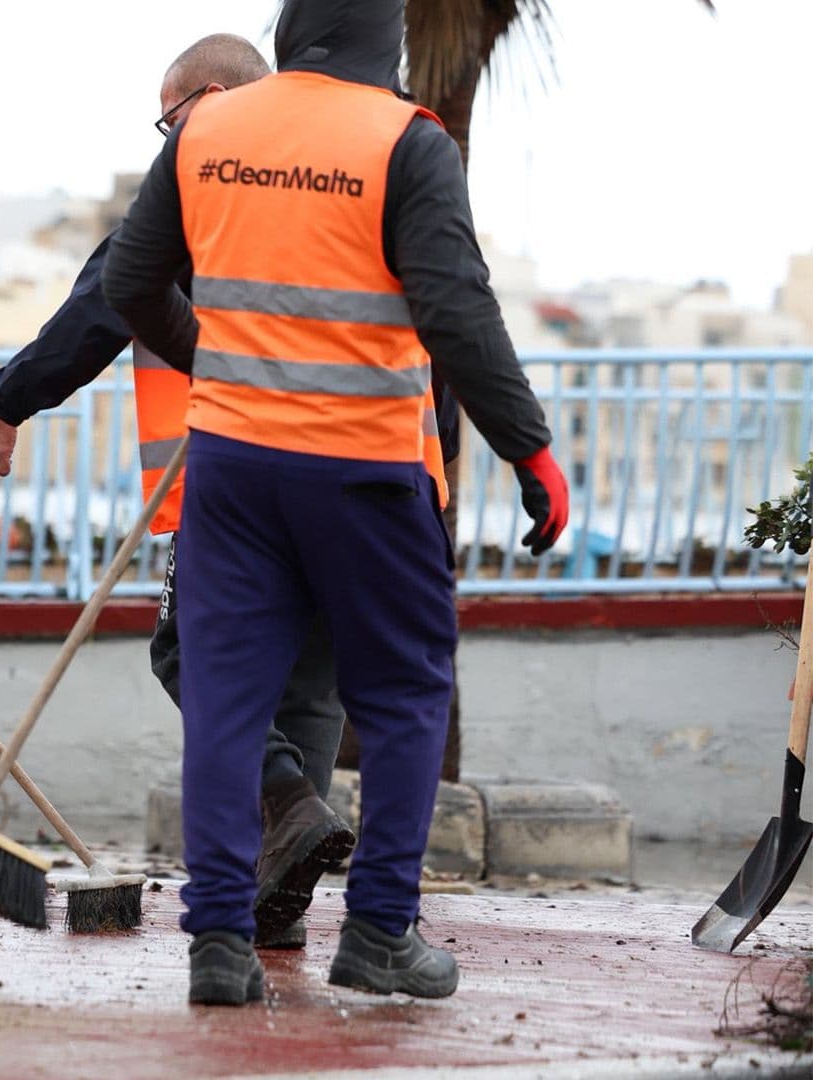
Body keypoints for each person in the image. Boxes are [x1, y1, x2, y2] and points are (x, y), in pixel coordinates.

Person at [101, 0, 568, 1005]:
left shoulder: (208, 133)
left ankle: (218, 944)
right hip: (366, 471)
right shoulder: (406, 141)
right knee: (403, 694)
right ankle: (380, 932)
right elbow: (455, 309)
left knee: (226, 701)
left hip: (232, 467)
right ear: (385, 39)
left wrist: (217, 361)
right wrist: (530, 449)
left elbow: (131, 284)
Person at [0, 33, 383, 955]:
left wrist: (3, 403)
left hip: (237, 474)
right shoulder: (353, 168)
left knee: (190, 649)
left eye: (168, 119)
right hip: (360, 470)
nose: (167, 137)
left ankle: (287, 804)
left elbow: (106, 300)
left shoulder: (206, 172)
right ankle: (281, 893)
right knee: (310, 676)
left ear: (209, 101)